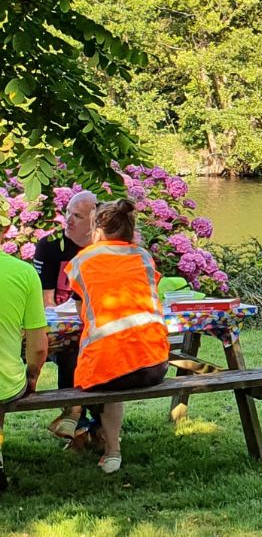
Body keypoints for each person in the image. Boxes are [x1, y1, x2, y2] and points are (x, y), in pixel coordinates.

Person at [67, 199, 170, 474]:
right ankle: (109, 448)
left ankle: (78, 418)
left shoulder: (83, 260)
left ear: (97, 230)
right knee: (117, 360)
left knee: (103, 364)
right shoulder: (144, 257)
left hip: (110, 371)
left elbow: (82, 312)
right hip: (155, 364)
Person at [34, 189, 96, 441]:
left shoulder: (103, 251)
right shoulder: (50, 246)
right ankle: (79, 421)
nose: (68, 220)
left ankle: (82, 422)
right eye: (68, 212)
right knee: (73, 351)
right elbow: (45, 302)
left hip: (92, 328)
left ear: (96, 221)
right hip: (59, 329)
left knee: (90, 351)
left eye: (78, 216)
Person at [0, 244, 48, 490]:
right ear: (4, 232)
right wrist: (32, 376)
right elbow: (38, 347)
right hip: (5, 384)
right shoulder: (24, 272)